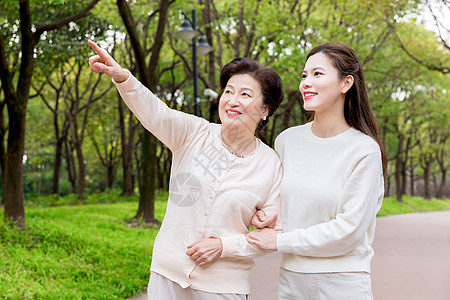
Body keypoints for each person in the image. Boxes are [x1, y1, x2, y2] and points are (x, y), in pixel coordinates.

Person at [88, 40, 284, 300]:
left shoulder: (270, 164)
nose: (232, 100)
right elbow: (155, 112)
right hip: (167, 274)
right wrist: (124, 78)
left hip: (225, 285)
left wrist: (223, 246)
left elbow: (273, 237)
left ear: (265, 110)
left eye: (245, 94)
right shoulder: (194, 133)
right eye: (228, 91)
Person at [246, 43, 387, 300]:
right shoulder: (287, 141)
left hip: (342, 283)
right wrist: (266, 216)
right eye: (304, 75)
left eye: (317, 74)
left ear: (346, 83)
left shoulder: (364, 151)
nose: (306, 83)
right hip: (290, 280)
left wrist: (279, 242)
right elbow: (282, 203)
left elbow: (349, 232)